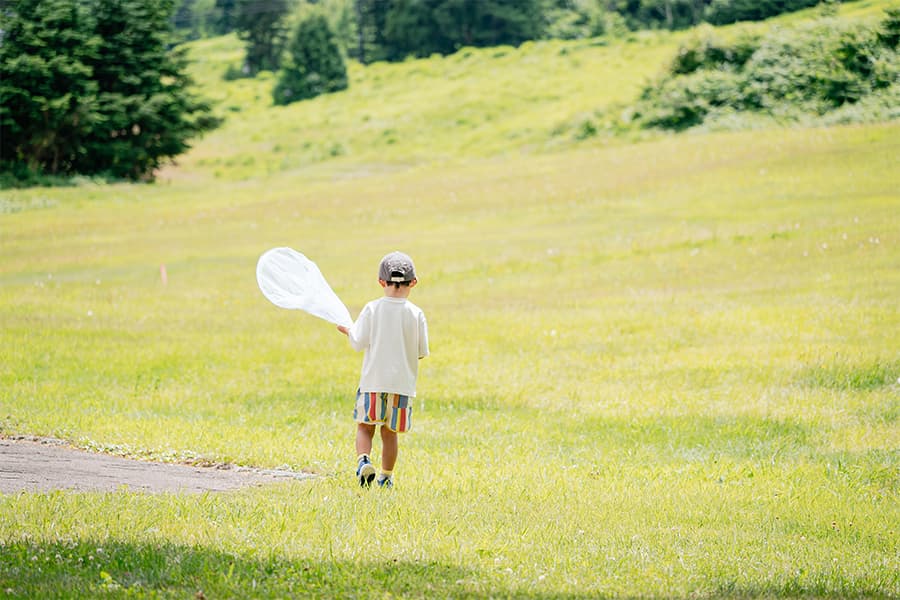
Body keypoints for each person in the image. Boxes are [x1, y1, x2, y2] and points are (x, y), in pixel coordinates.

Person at [337, 251, 429, 488]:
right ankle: (386, 477)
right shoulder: (416, 313)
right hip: (402, 386)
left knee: (365, 428)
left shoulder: (372, 309)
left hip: (373, 383)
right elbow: (421, 350)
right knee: (390, 434)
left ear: (381, 281)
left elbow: (358, 342)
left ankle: (364, 460)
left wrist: (349, 330)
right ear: (413, 283)